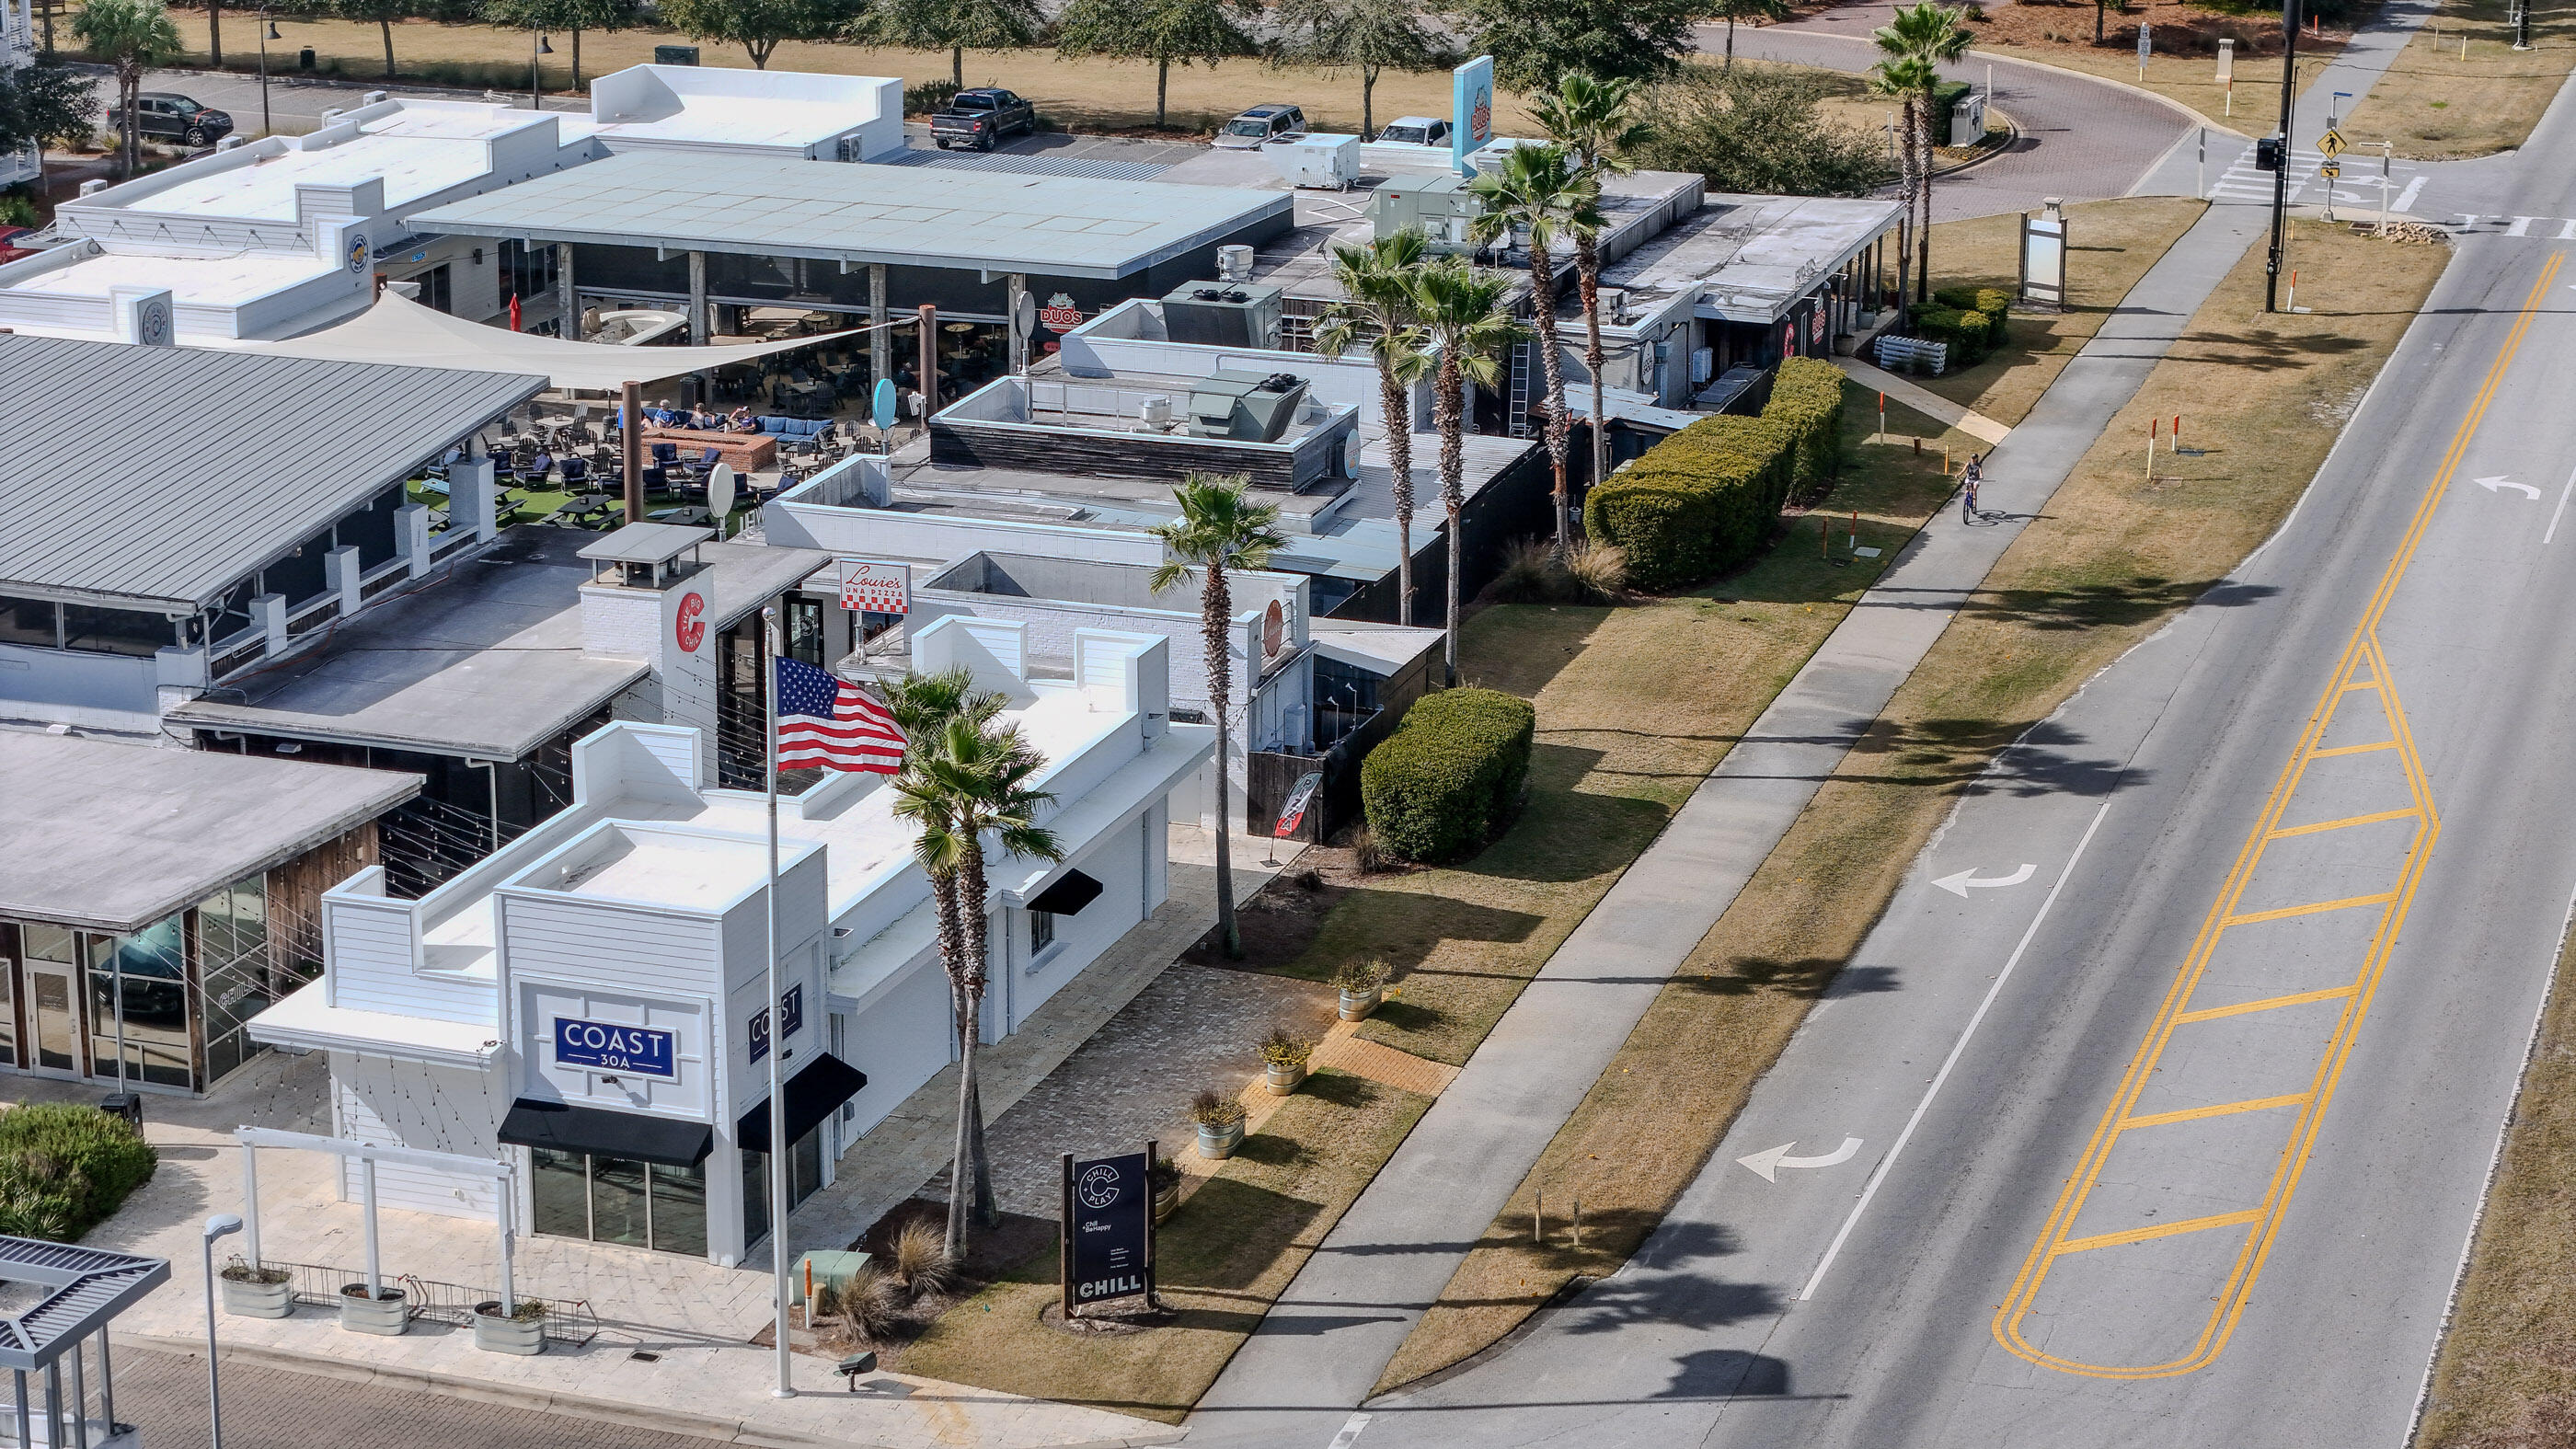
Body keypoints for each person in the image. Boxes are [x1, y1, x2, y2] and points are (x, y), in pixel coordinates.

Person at [1961, 454, 1984, 523]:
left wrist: (1981, 476)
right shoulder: (1968, 464)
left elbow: (1980, 472)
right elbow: (1963, 471)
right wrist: (1958, 475)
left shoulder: (1979, 465)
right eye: (1972, 458)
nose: (1973, 459)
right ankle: (1966, 498)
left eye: (1974, 458)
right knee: (1967, 489)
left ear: (1977, 459)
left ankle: (1974, 506)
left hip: (1976, 479)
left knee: (1974, 490)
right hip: (1969, 479)